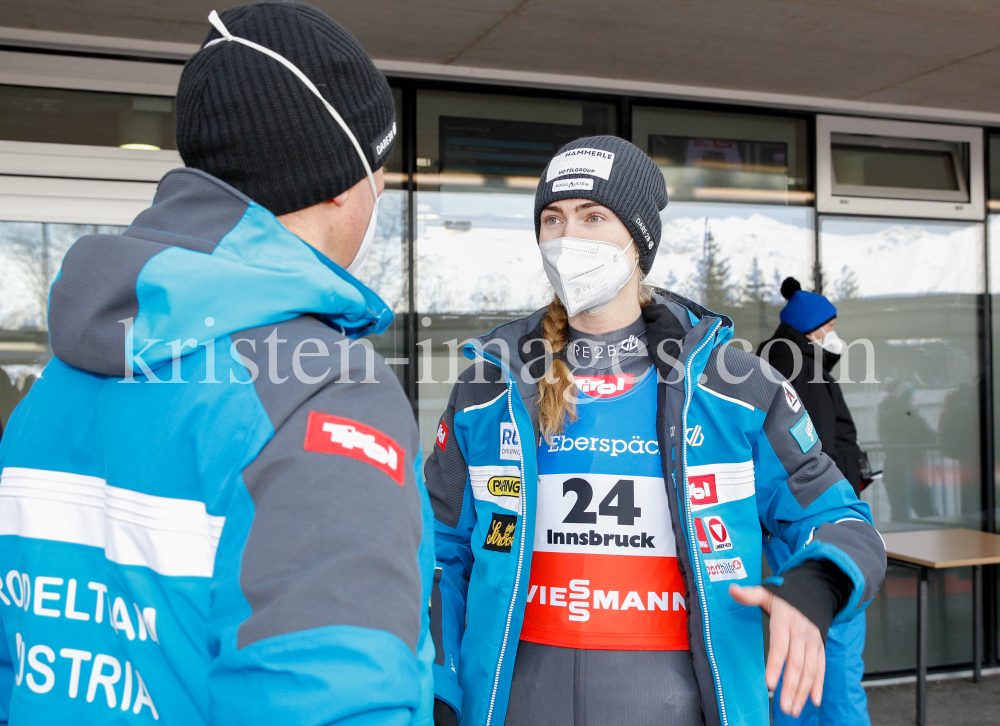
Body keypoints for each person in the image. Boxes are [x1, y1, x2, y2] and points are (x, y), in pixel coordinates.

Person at [0, 3, 433, 724]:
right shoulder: (321, 389)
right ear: (335, 180)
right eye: (377, 167)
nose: (382, 189)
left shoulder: (56, 386)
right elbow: (331, 699)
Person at [425, 136, 886, 726]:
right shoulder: (489, 387)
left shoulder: (734, 387)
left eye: (595, 217)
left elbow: (839, 518)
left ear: (640, 240)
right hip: (513, 706)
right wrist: (438, 689)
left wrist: (819, 581)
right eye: (553, 219)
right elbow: (439, 552)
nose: (570, 237)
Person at [757, 278, 871, 726]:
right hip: (815, 518)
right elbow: (815, 449)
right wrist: (842, 497)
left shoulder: (785, 358)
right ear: (812, 328)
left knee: (803, 633)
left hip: (793, 515)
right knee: (837, 634)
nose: (835, 333)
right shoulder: (799, 365)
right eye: (830, 325)